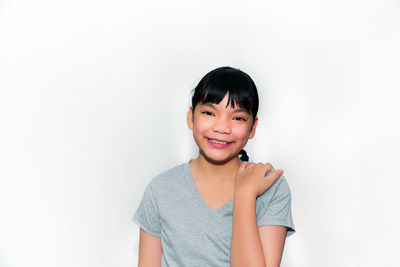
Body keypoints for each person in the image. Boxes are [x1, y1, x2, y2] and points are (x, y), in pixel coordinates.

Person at [132, 66, 295, 267]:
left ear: (253, 127)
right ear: (191, 117)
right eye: (209, 113)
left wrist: (245, 194)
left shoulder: (271, 187)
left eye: (238, 118)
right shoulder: (161, 189)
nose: (221, 127)